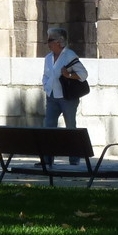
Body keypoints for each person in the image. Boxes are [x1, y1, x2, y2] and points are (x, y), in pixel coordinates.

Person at [41, 26, 88, 165]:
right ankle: (47, 158)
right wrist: (46, 85)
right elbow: (46, 75)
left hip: (67, 97)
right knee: (48, 126)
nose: (48, 43)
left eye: (50, 40)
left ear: (59, 42)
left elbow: (83, 74)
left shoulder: (70, 55)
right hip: (52, 96)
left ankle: (74, 158)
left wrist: (68, 75)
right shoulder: (48, 58)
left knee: (70, 126)